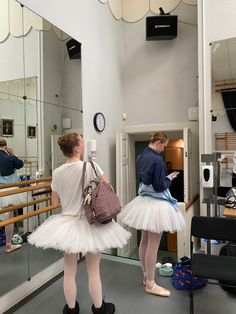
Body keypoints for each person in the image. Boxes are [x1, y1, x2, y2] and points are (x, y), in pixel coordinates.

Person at [28, 133, 130, 314]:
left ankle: (71, 309)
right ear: (76, 148)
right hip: (91, 224)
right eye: (81, 142)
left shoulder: (57, 172)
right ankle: (99, 309)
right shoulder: (91, 166)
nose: (83, 145)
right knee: (93, 270)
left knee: (69, 271)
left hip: (67, 223)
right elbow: (109, 188)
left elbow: (54, 203)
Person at [118, 132, 185, 297]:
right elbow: (159, 186)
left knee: (144, 241)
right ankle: (151, 284)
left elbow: (146, 181)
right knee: (153, 245)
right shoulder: (157, 160)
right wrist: (169, 178)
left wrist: (164, 177)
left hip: (143, 201)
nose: (163, 149)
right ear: (158, 143)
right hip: (156, 205)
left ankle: (146, 276)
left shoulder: (141, 156)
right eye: (163, 146)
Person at [0, 138, 24, 253]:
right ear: (5, 146)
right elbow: (20, 164)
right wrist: (12, 153)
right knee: (9, 219)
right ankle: (8, 245)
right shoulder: (9, 157)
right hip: (8, 191)